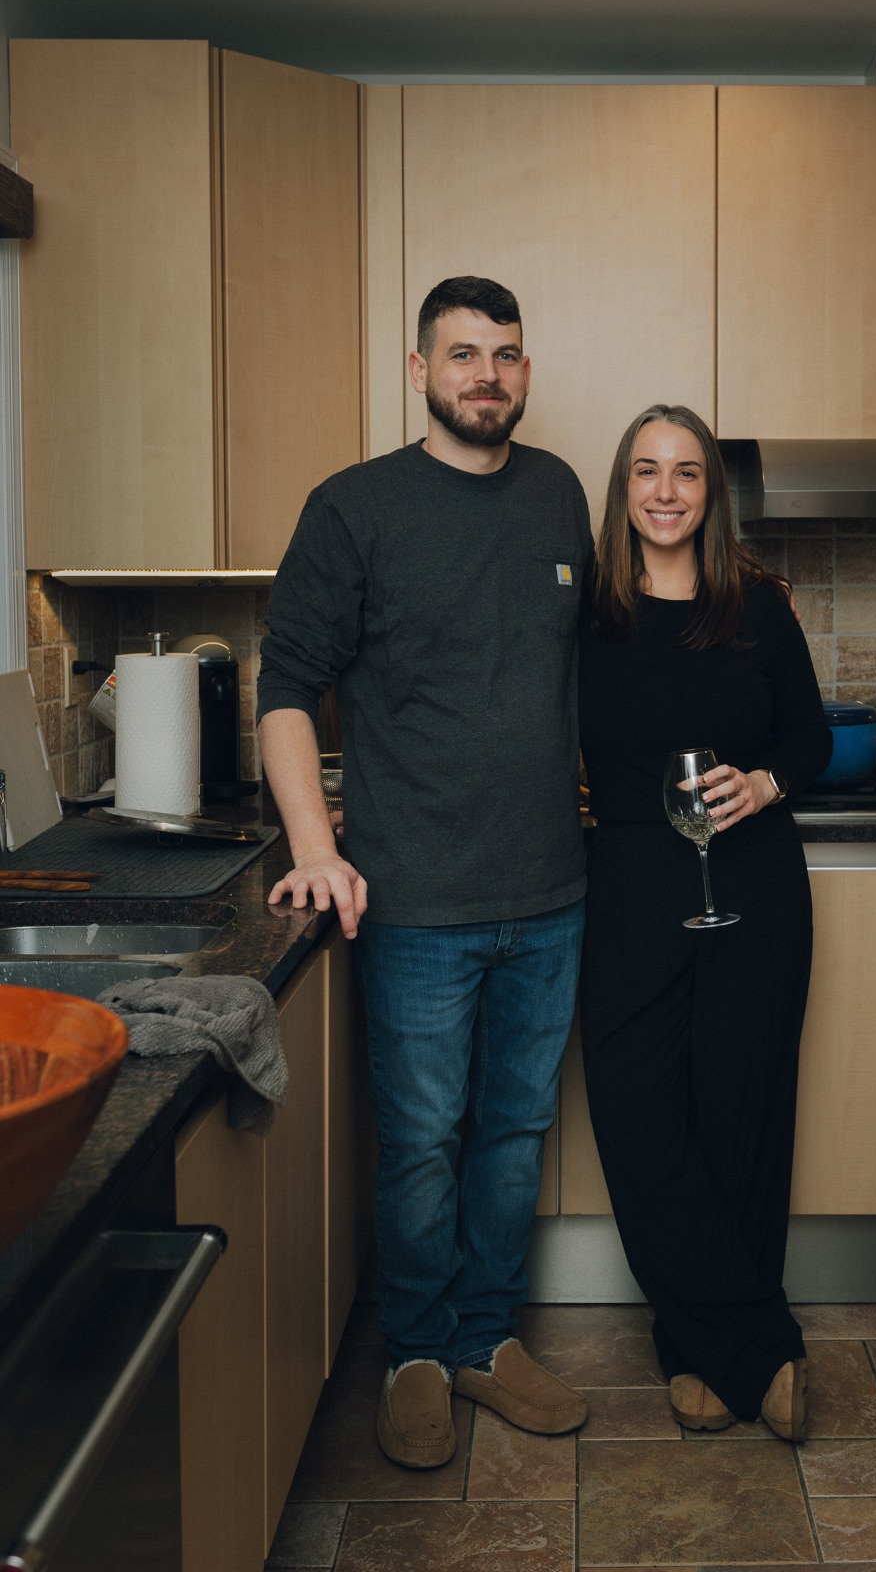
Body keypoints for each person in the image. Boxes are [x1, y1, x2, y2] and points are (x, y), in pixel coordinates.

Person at [257, 275, 592, 1470]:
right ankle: (414, 1353)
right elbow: (286, 687)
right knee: (419, 1145)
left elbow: (576, 666)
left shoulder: (559, 493)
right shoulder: (354, 508)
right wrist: (317, 848)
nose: (485, 375)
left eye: (504, 353)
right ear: (419, 371)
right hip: (414, 903)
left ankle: (484, 1339)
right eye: (462, 354)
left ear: (525, 371)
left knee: (513, 1134)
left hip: (551, 893)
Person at [578, 403, 832, 1438]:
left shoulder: (758, 604)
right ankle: (760, 1350)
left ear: (711, 493)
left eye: (687, 472)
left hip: (754, 879)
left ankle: (698, 1354)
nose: (666, 490)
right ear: (623, 490)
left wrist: (768, 783)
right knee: (638, 1119)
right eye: (647, 470)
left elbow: (810, 736)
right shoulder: (586, 611)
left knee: (742, 1118)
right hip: (632, 882)